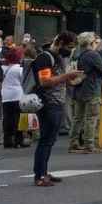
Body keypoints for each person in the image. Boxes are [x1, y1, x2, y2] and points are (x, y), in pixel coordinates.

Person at [31, 32, 82, 186]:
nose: (70, 50)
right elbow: (45, 81)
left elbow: (56, 79)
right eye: (69, 47)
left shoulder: (57, 57)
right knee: (45, 140)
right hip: (48, 103)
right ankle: (39, 176)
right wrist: (67, 76)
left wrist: (70, 79)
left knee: (50, 140)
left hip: (57, 102)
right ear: (59, 43)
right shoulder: (45, 58)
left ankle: (43, 172)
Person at [68, 33, 102, 154]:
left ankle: (73, 142)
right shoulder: (93, 55)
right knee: (91, 118)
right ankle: (89, 144)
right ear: (91, 42)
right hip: (92, 88)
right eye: (95, 41)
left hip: (78, 89)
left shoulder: (77, 54)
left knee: (77, 118)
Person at [1, 48, 25, 149]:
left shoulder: (3, 68)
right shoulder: (19, 69)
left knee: (7, 118)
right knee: (18, 118)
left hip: (5, 95)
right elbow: (22, 81)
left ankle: (7, 141)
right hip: (17, 95)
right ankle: (18, 141)